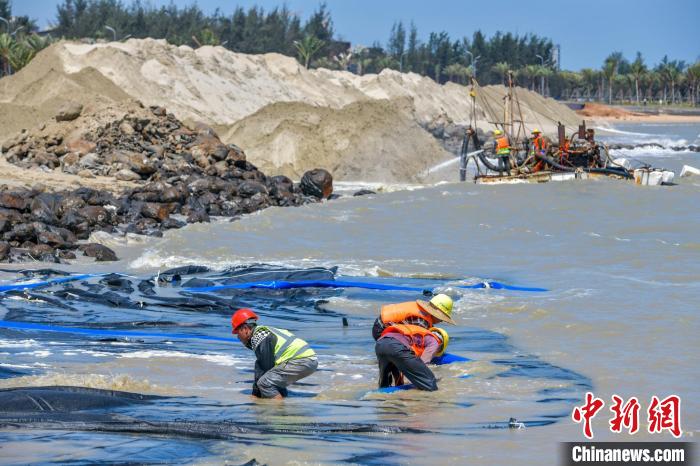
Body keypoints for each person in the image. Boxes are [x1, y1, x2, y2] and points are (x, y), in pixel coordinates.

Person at [374, 294, 455, 391]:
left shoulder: (419, 311)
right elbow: (423, 362)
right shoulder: (424, 327)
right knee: (429, 383)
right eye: (442, 318)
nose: (441, 321)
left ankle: (383, 398)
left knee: (387, 381)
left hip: (382, 341)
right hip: (387, 335)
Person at [231, 308, 318, 399]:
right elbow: (263, 366)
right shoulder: (264, 331)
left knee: (265, 383)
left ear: (245, 329)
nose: (238, 337)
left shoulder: (259, 336)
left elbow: (265, 366)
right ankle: (282, 400)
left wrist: (255, 395)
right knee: (271, 381)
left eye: (237, 333)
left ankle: (277, 410)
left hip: (300, 360)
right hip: (308, 360)